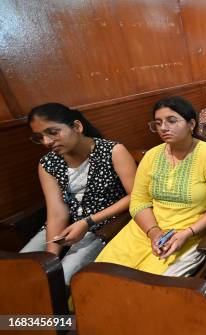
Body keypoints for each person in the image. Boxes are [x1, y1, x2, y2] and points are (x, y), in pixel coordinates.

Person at [95, 96, 206, 276]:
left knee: (149, 287)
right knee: (102, 274)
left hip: (187, 233)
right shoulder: (152, 156)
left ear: (191, 124)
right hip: (145, 229)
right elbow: (139, 200)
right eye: (158, 123)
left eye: (171, 121)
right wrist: (153, 232)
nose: (163, 127)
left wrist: (187, 233)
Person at [22, 103, 136, 286]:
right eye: (40, 137)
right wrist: (50, 259)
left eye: (53, 132)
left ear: (77, 126)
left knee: (63, 279)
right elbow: (57, 212)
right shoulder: (47, 163)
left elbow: (135, 196)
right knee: (24, 269)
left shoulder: (112, 151)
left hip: (102, 226)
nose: (47, 142)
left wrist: (87, 222)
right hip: (64, 225)